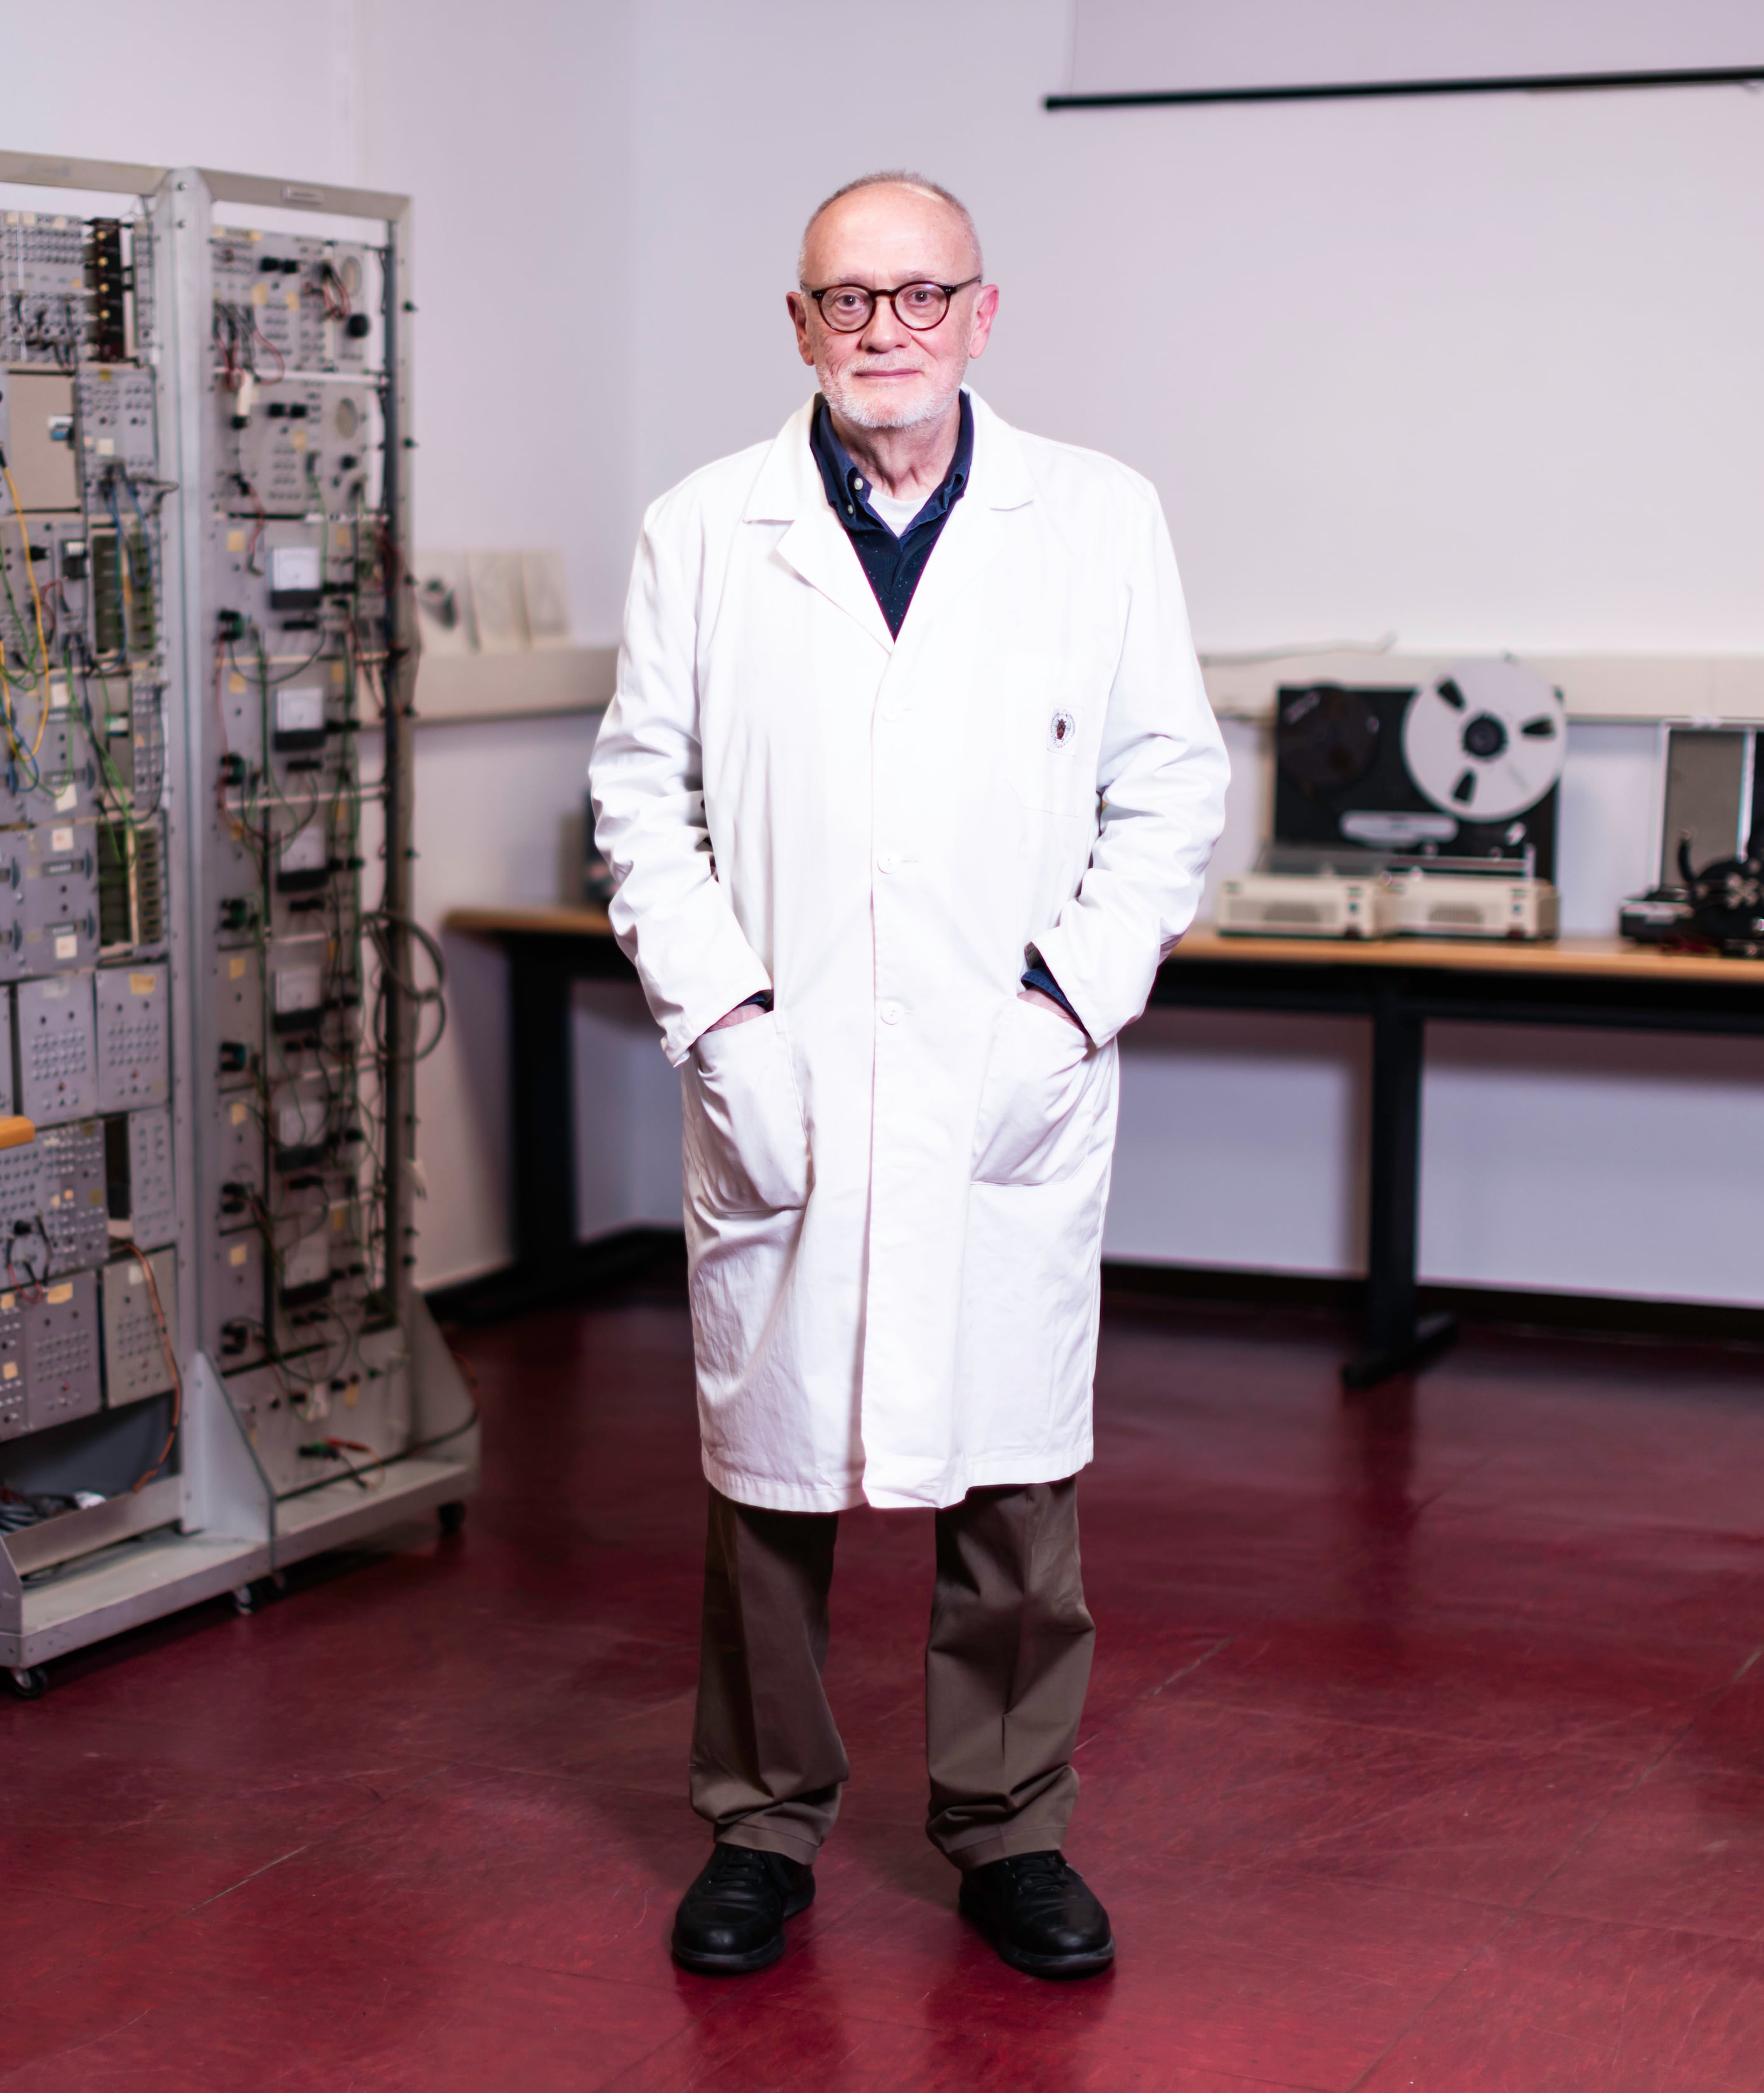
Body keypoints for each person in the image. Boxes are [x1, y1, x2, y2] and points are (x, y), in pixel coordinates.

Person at [585, 170, 1228, 1980]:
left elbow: (1172, 783)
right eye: (849, 301)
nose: (887, 332)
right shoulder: (706, 528)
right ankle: (763, 1826)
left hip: (1003, 1068)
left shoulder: (1096, 520)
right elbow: (646, 798)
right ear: (799, 324)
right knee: (767, 1482)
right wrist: (724, 1022)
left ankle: (1008, 1829)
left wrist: (1065, 1005)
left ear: (983, 314)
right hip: (781, 1064)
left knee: (1015, 1477)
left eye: (921, 297)